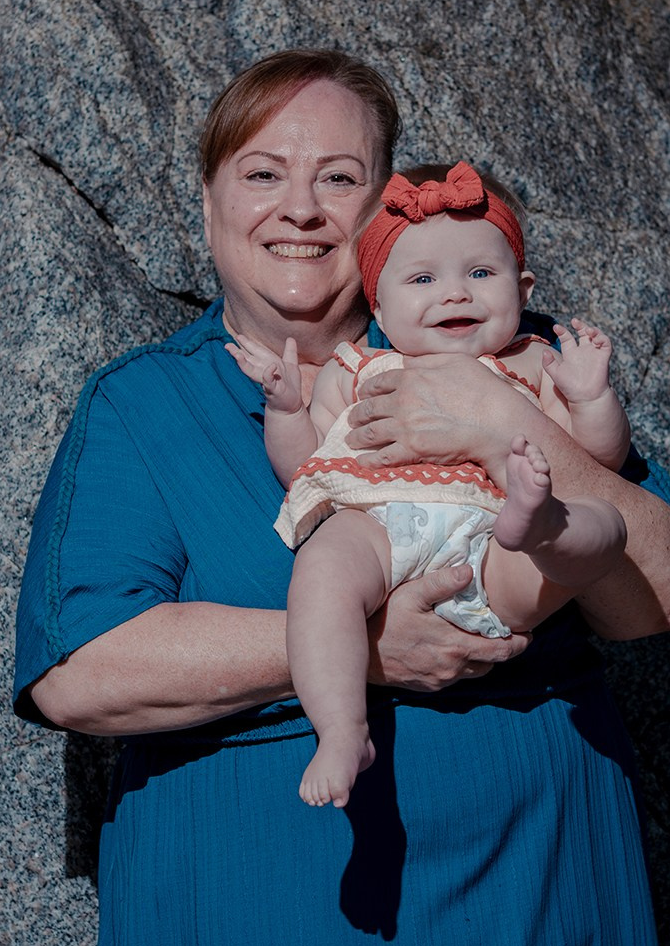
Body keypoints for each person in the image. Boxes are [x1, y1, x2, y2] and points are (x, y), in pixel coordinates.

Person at [14, 49, 670, 946]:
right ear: (206, 207)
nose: (300, 208)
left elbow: (653, 595)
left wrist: (498, 422)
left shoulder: (520, 354)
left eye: (338, 177)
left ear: (385, 211)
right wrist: (359, 653)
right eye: (261, 174)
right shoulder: (142, 408)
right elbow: (78, 674)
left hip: (536, 905)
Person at [228, 161, 632, 808]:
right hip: (382, 528)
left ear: (522, 287)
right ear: (379, 302)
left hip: (500, 540)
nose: (455, 294)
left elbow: (602, 455)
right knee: (322, 575)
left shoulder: (535, 364)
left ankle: (545, 522)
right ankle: (339, 728)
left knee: (607, 524)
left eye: (480, 273)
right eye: (423, 277)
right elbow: (305, 463)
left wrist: (591, 397)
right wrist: (285, 409)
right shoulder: (356, 368)